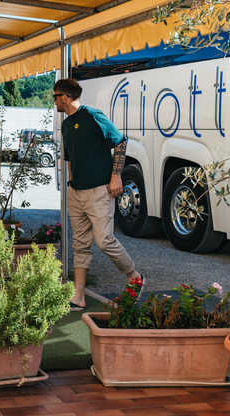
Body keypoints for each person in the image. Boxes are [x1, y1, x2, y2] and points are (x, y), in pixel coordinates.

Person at [53, 78, 143, 311]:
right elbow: (70, 157)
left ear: (65, 97)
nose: (54, 101)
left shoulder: (93, 115)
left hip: (99, 190)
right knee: (80, 245)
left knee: (104, 240)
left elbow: (120, 142)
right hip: (77, 192)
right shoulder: (65, 125)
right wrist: (72, 183)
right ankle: (79, 297)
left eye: (55, 96)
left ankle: (134, 277)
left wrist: (116, 176)